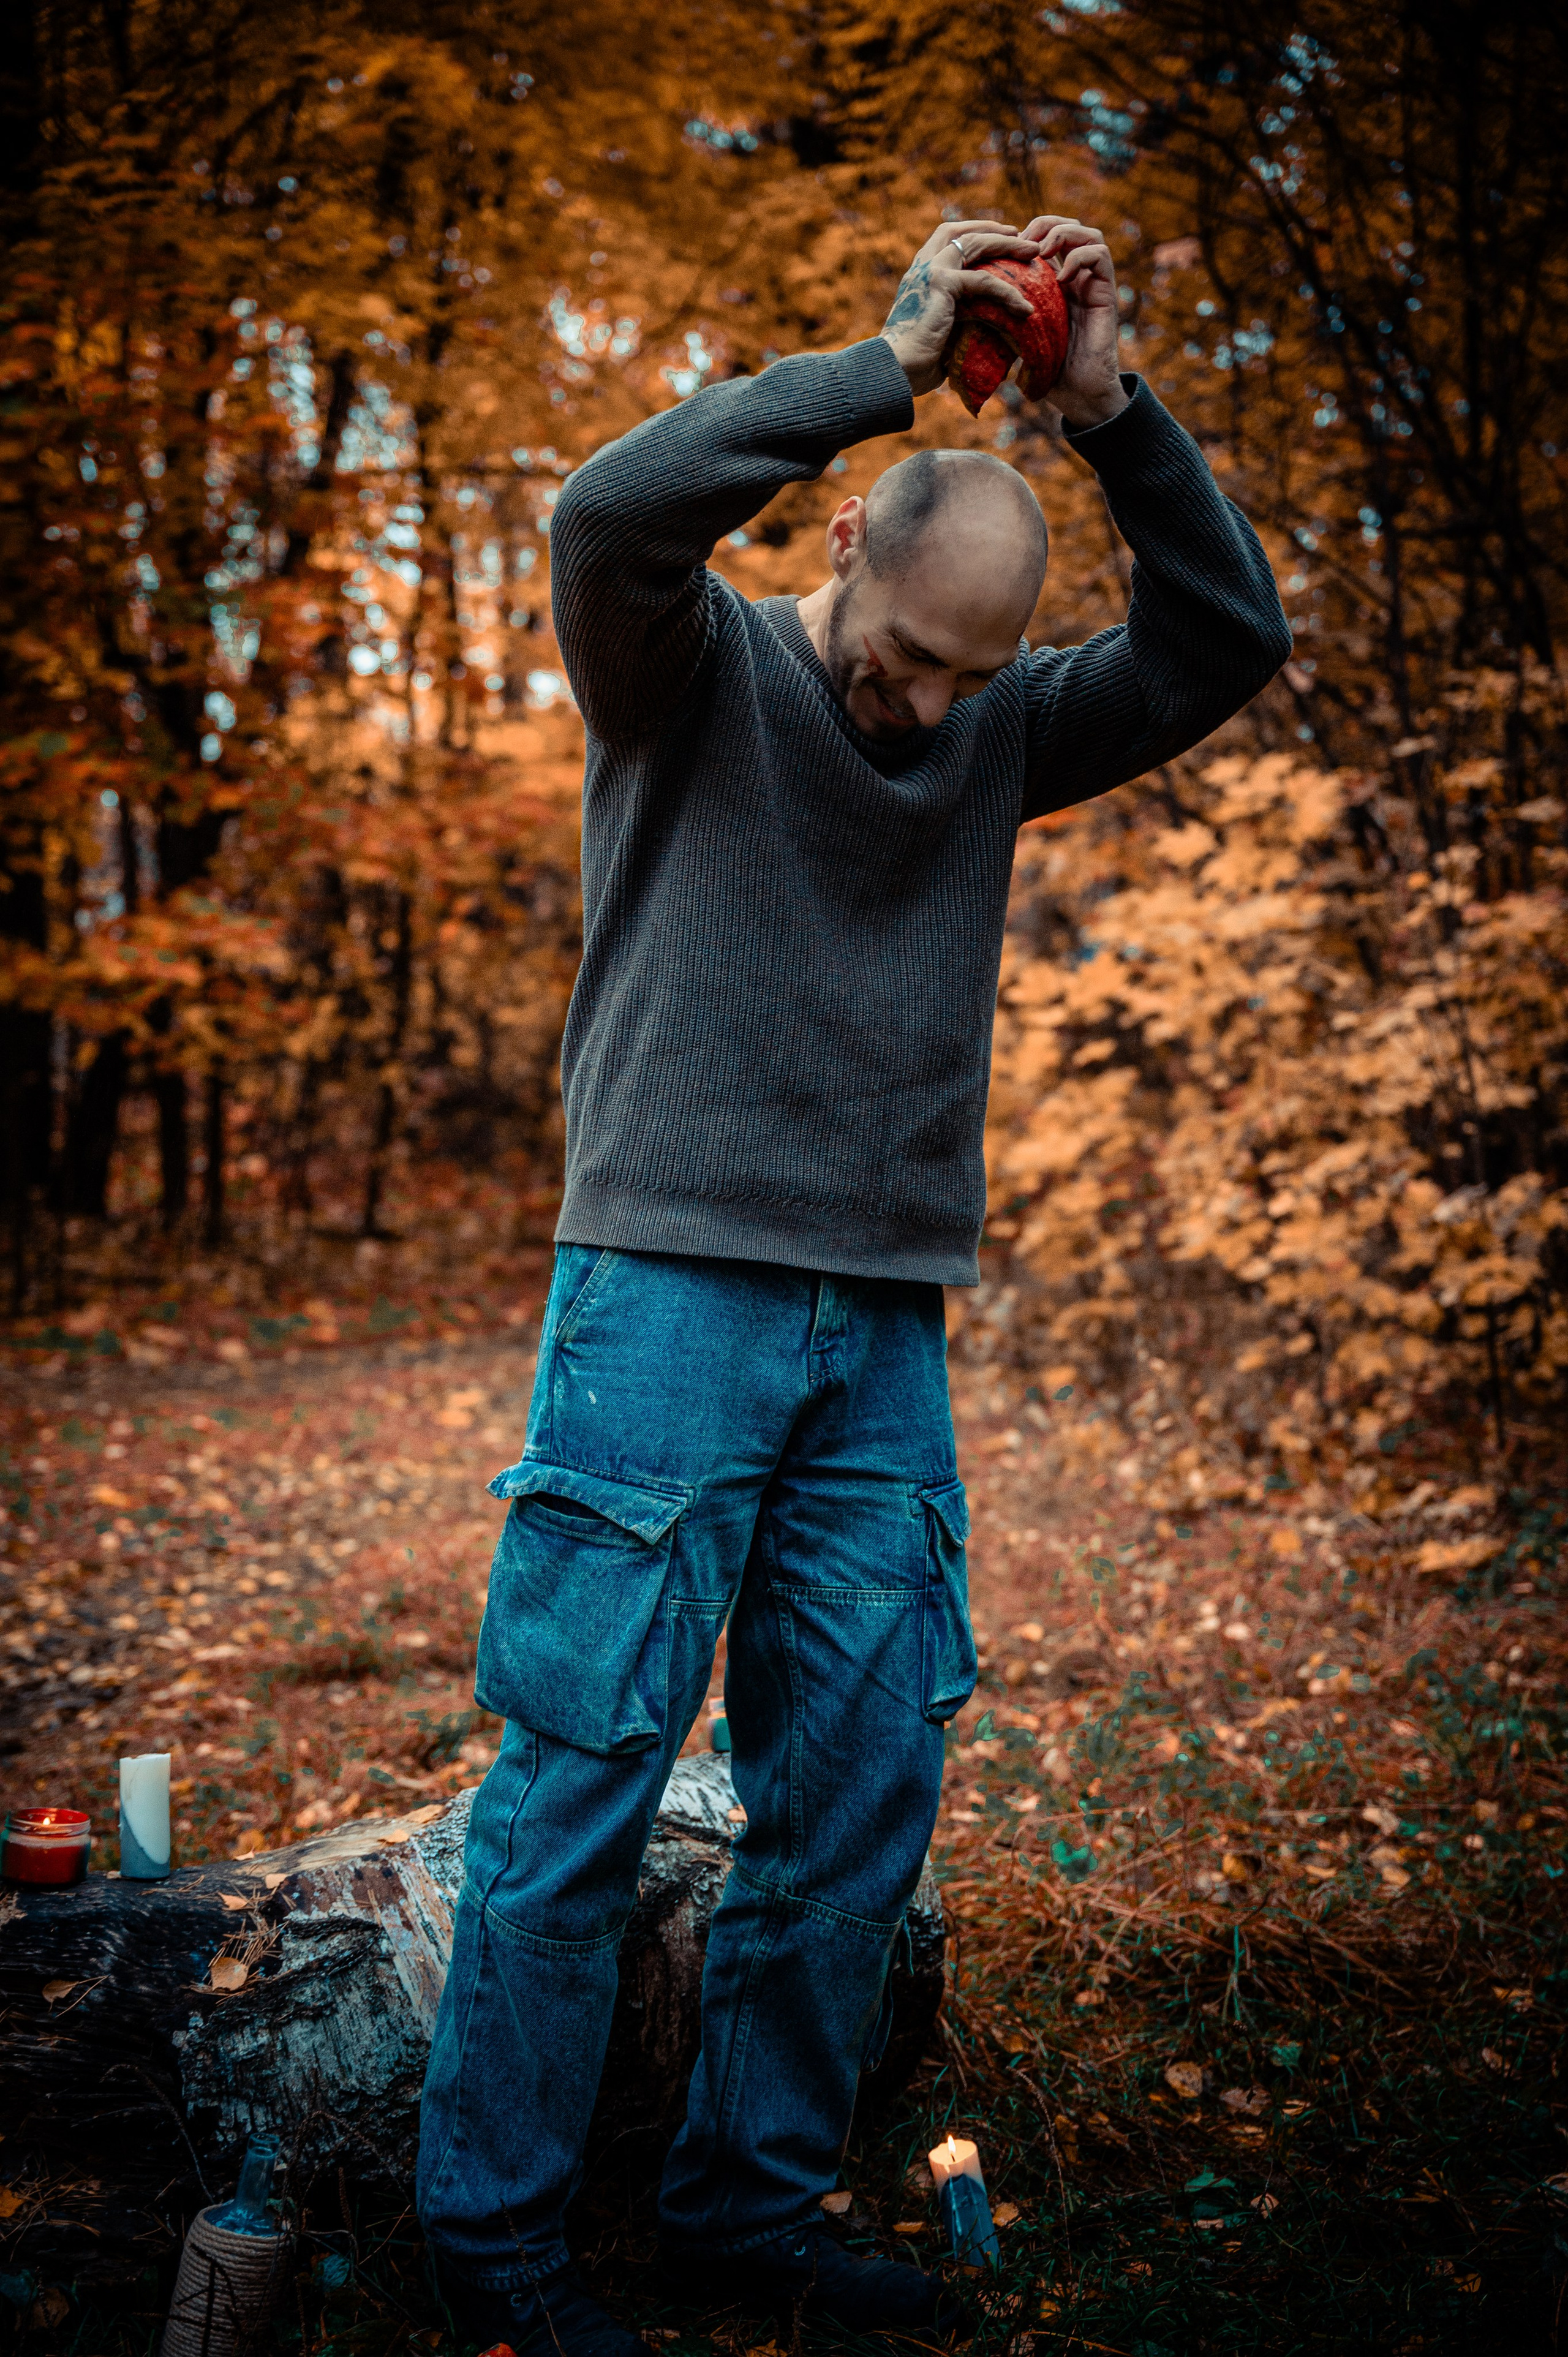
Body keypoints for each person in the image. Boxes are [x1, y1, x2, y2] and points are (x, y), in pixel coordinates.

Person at [417, 213, 1291, 2355]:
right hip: (664, 1299)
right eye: (906, 656)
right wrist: (883, 369)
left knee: (859, 1796)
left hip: (882, 1326)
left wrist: (1112, 414)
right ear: (842, 557)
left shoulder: (993, 732)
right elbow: (602, 512)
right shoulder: (686, 667)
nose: (928, 707)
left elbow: (1225, 639)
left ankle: (746, 2213)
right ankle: (499, 2265)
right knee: (582, 1781)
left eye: (972, 679)